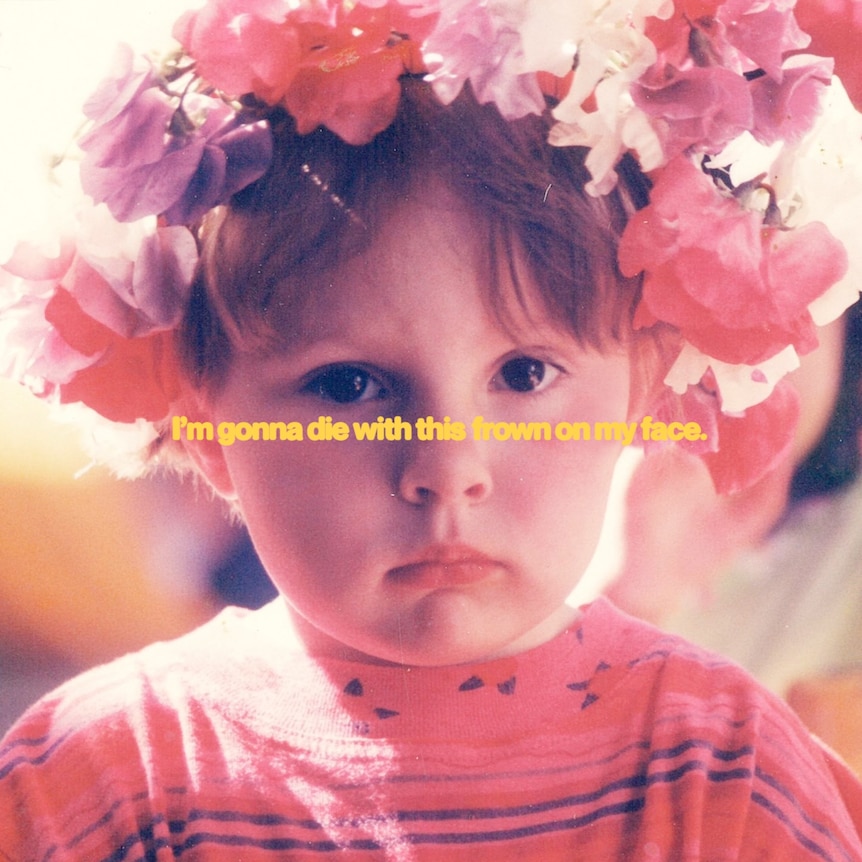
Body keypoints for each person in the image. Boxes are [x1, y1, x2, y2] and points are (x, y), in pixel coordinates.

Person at [1, 1, 861, 859]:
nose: (447, 469)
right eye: (349, 386)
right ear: (206, 426)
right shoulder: (102, 782)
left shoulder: (727, 774)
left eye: (524, 374)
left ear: (645, 385)